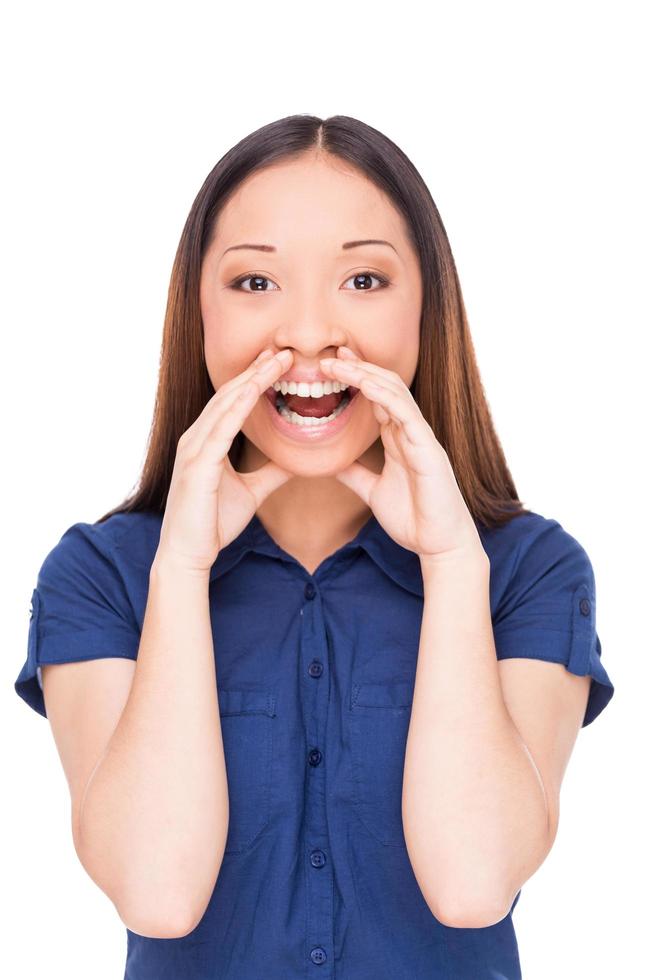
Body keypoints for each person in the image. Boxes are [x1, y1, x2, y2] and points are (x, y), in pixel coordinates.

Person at [14, 114, 615, 979]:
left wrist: (450, 567)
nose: (307, 334)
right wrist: (180, 570)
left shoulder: (530, 572)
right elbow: (156, 892)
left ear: (426, 308)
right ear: (200, 313)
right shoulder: (102, 576)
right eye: (255, 282)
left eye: (363, 279)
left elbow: (474, 882)